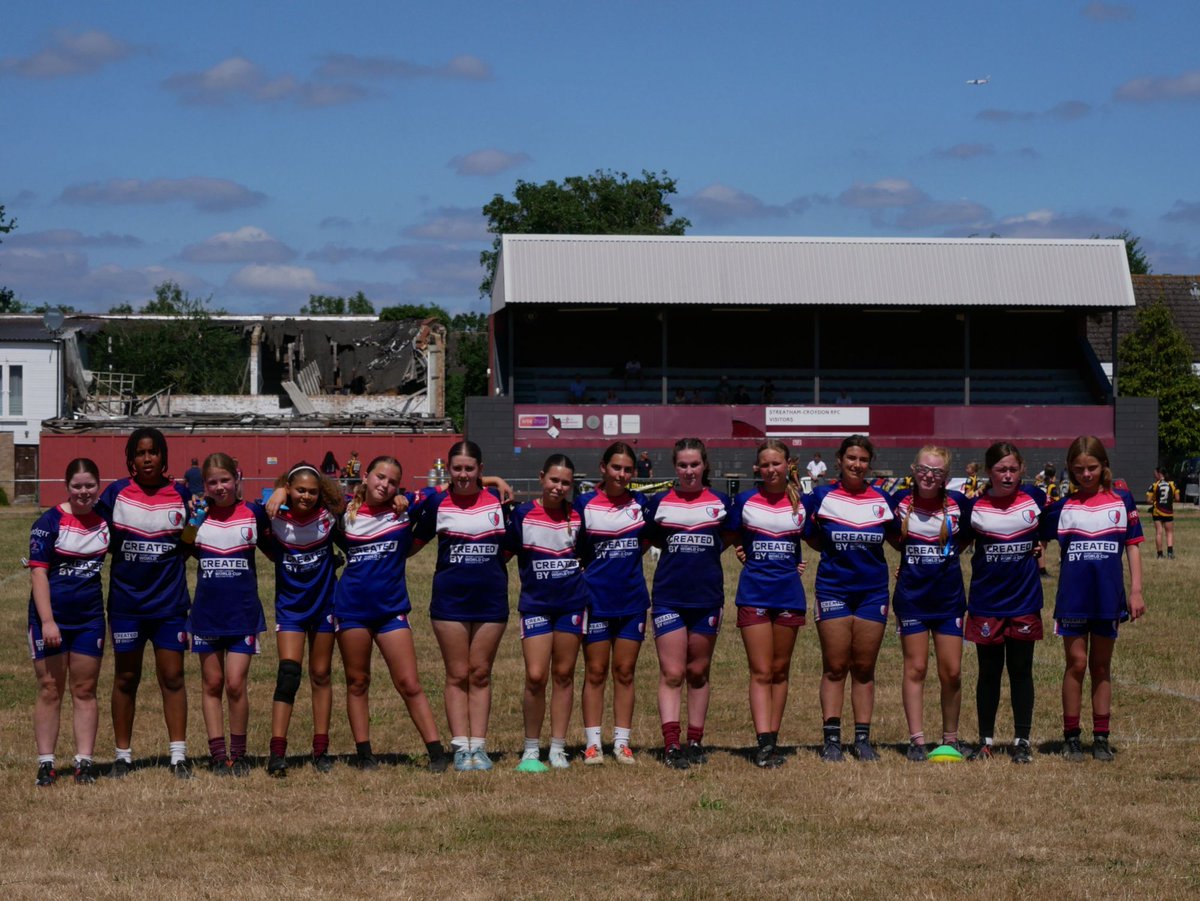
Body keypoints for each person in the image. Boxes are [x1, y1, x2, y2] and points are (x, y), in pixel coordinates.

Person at [329, 456, 450, 772]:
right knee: (357, 681)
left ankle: (436, 752)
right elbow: (308, 487)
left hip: (391, 609)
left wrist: (493, 482)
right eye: (380, 477)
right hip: (351, 608)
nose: (385, 485)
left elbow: (439, 493)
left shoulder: (402, 510)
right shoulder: (345, 511)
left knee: (409, 683)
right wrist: (277, 493)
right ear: (366, 476)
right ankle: (364, 754)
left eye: (393, 481)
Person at [97, 427, 194, 778]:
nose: (148, 458)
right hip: (127, 605)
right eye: (140, 453)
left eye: (153, 452)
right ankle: (122, 756)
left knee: (173, 677)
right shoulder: (116, 493)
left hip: (169, 605)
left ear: (164, 457)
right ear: (131, 459)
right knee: (125, 677)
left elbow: (189, 541)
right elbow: (99, 537)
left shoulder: (181, 495)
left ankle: (178, 757)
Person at [1043, 436, 1145, 762]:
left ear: (1103, 467)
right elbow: (1028, 531)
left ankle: (1101, 736)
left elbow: (1133, 546)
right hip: (1073, 598)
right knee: (1076, 664)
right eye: (1079, 469)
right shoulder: (1063, 507)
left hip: (1107, 597)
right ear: (1070, 471)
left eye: (1092, 467)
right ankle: (1071, 736)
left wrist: (1136, 590)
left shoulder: (1122, 500)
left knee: (1101, 666)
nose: (1086, 474)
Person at [412, 440, 511, 772]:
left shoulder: (500, 500)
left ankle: (479, 747)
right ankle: (459, 747)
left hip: (491, 600)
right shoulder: (437, 502)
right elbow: (412, 541)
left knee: (480, 673)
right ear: (448, 471)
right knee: (457, 674)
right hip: (449, 602)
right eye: (457, 469)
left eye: (470, 468)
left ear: (481, 470)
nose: (464, 475)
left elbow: (512, 545)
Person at [803, 435, 897, 762]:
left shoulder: (883, 499)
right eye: (851, 458)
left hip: (872, 593)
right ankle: (831, 739)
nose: (857, 465)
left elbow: (900, 539)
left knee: (864, 668)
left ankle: (862, 739)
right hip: (833, 590)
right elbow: (808, 535)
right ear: (839, 460)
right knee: (835, 666)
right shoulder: (820, 496)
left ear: (869, 463)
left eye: (862, 459)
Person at [644, 438, 733, 769]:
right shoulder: (659, 502)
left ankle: (695, 740)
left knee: (698, 671)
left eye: (694, 464)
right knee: (672, 672)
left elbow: (730, 535)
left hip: (707, 598)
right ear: (675, 467)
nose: (688, 471)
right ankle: (671, 745)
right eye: (682, 465)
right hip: (669, 598)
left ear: (704, 465)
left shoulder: (721, 502)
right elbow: (651, 537)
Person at [183, 453, 270, 776]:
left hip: (243, 614)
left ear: (237, 478)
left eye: (225, 480)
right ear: (204, 485)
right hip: (206, 614)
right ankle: (218, 754)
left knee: (235, 684)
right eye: (212, 482)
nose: (220, 487)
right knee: (212, 682)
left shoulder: (254, 514)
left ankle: (240, 753)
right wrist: (193, 521)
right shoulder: (198, 517)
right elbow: (185, 547)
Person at [961, 442, 1046, 764]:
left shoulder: (1036, 500)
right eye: (1001, 470)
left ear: (1022, 469)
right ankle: (985, 741)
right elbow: (955, 544)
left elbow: (1048, 530)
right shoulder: (974, 507)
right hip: (986, 603)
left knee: (1022, 671)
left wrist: (1039, 547)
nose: (1007, 476)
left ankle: (1022, 741)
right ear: (989, 472)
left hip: (1024, 601)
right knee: (989, 672)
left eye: (1013, 469)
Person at [259, 463, 345, 777]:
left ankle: (321, 750)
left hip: (324, 605)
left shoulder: (330, 517)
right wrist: (278, 491)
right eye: (299, 490)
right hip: (291, 609)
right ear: (289, 489)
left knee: (321, 675)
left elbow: (360, 500)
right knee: (288, 674)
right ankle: (277, 751)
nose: (306, 496)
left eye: (311, 491)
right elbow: (245, 509)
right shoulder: (273, 517)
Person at [28, 458, 109, 786]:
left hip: (90, 619)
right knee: (50, 689)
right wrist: (48, 622)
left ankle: (84, 762)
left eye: (90, 485)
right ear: (67, 487)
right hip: (51, 619)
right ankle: (46, 763)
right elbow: (38, 573)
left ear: (98, 486)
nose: (84, 492)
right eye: (77, 486)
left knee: (85, 689)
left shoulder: (106, 519)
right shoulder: (48, 522)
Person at [507, 454, 589, 772]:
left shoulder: (578, 516)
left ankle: (557, 747)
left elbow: (588, 556)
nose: (558, 487)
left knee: (564, 676)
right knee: (536, 676)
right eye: (554, 480)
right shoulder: (522, 516)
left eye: (565, 482)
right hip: (535, 606)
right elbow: (506, 552)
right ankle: (531, 749)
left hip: (571, 605)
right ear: (542, 477)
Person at [727, 440, 807, 768]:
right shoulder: (744, 500)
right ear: (757, 469)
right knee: (761, 670)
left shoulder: (803, 503)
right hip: (754, 594)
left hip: (789, 595)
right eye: (765, 464)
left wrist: (798, 559)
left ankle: (774, 740)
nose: (772, 469)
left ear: (788, 464)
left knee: (780, 670)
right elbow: (729, 535)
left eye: (777, 463)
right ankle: (762, 743)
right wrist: (742, 550)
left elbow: (811, 538)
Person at [576, 442, 652, 765]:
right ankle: (593, 744)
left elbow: (647, 541)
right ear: (602, 467)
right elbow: (575, 547)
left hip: (632, 600)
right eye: (616, 468)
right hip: (595, 601)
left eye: (627, 470)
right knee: (595, 671)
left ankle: (622, 743)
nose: (621, 474)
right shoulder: (583, 504)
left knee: (624, 671)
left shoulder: (642, 505)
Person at [891, 446, 969, 761]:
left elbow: (973, 536)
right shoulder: (898, 503)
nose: (929, 476)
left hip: (948, 600)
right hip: (912, 600)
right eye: (924, 468)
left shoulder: (959, 504)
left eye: (936, 472)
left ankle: (950, 738)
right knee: (916, 668)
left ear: (945, 477)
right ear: (914, 468)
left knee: (951, 671)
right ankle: (917, 741)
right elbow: (883, 535)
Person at [1146, 466, 1178, 559]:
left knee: (1159, 533)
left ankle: (1160, 555)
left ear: (1159, 474)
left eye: (1155, 473)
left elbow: (1148, 500)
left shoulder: (1154, 485)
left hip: (1157, 512)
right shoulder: (1172, 484)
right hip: (1168, 511)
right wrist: (1169, 501)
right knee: (1169, 532)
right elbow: (1177, 498)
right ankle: (1170, 553)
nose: (1154, 475)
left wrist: (1156, 502)